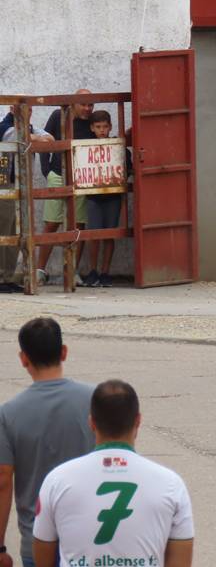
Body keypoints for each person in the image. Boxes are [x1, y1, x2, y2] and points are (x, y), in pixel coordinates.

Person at [33, 380, 195, 567]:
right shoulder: (171, 484)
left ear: (91, 422)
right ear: (138, 421)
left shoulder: (57, 480)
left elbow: (43, 551)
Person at [0, 318, 95, 567]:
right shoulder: (95, 400)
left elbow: (2, 480)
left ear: (23, 359)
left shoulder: (8, 413)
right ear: (64, 352)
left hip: (37, 540)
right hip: (90, 538)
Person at [36, 91, 95, 286]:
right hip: (58, 175)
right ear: (73, 104)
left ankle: (72, 270)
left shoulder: (92, 122)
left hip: (80, 177)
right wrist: (47, 170)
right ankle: (39, 271)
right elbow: (46, 140)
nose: (87, 109)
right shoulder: (58, 115)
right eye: (83, 105)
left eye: (90, 105)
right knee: (51, 223)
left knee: (78, 225)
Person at [0, 107, 52, 293]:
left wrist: (32, 137)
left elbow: (50, 139)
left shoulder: (27, 126)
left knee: (16, 231)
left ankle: (7, 276)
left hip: (17, 184)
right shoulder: (6, 127)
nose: (28, 112)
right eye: (24, 108)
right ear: (13, 109)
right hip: (5, 183)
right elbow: (19, 138)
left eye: (30, 108)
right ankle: (2, 276)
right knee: (5, 230)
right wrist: (33, 138)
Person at [81, 111, 129, 289]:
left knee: (109, 234)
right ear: (92, 128)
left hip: (112, 196)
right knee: (94, 235)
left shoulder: (117, 145)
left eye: (105, 127)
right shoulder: (86, 147)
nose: (102, 130)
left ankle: (105, 272)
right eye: (98, 127)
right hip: (93, 196)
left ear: (110, 127)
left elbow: (127, 165)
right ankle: (93, 271)